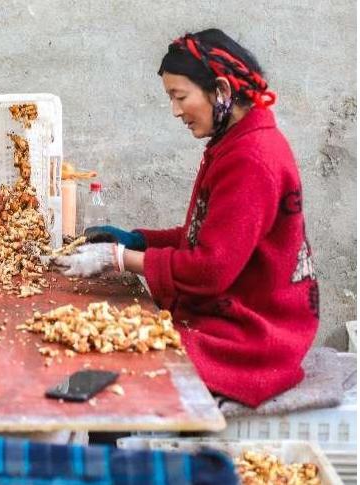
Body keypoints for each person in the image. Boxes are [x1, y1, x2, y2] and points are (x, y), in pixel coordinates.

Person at [53, 29, 318, 408]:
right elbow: (207, 237)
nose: (176, 111)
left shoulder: (251, 160)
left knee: (112, 369)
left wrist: (118, 259)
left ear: (221, 91)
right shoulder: (233, 143)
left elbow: (211, 268)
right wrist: (139, 241)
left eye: (180, 97)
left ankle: (121, 455)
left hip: (250, 337)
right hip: (230, 316)